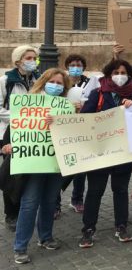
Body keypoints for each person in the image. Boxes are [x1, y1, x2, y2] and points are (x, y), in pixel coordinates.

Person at [10, 68, 73, 264]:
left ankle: (45, 237)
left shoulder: (66, 106)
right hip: (35, 161)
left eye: (60, 83)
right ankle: (20, 247)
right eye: (53, 81)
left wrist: (65, 119)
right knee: (29, 203)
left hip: (56, 161)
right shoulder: (29, 102)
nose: (56, 85)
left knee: (49, 200)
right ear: (44, 81)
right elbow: (17, 127)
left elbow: (74, 131)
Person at [79, 59, 132, 248]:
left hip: (124, 153)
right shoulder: (97, 94)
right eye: (115, 72)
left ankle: (121, 226)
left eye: (123, 72)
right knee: (95, 191)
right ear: (108, 75)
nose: (119, 75)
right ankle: (88, 229)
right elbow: (83, 119)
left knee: (120, 190)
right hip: (100, 153)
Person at [0, 45, 40, 232]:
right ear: (18, 61)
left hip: (31, 134)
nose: (33, 61)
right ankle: (11, 214)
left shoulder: (38, 81)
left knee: (28, 173)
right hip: (8, 134)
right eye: (29, 58)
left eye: (34, 58)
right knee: (12, 173)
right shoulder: (5, 81)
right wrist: (21, 115)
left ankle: (25, 209)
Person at [61, 54, 92, 214]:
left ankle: (77, 199)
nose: (75, 67)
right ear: (67, 66)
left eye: (79, 65)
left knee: (81, 167)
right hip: (63, 129)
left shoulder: (89, 83)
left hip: (82, 128)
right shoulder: (61, 82)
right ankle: (55, 202)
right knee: (61, 167)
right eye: (72, 64)